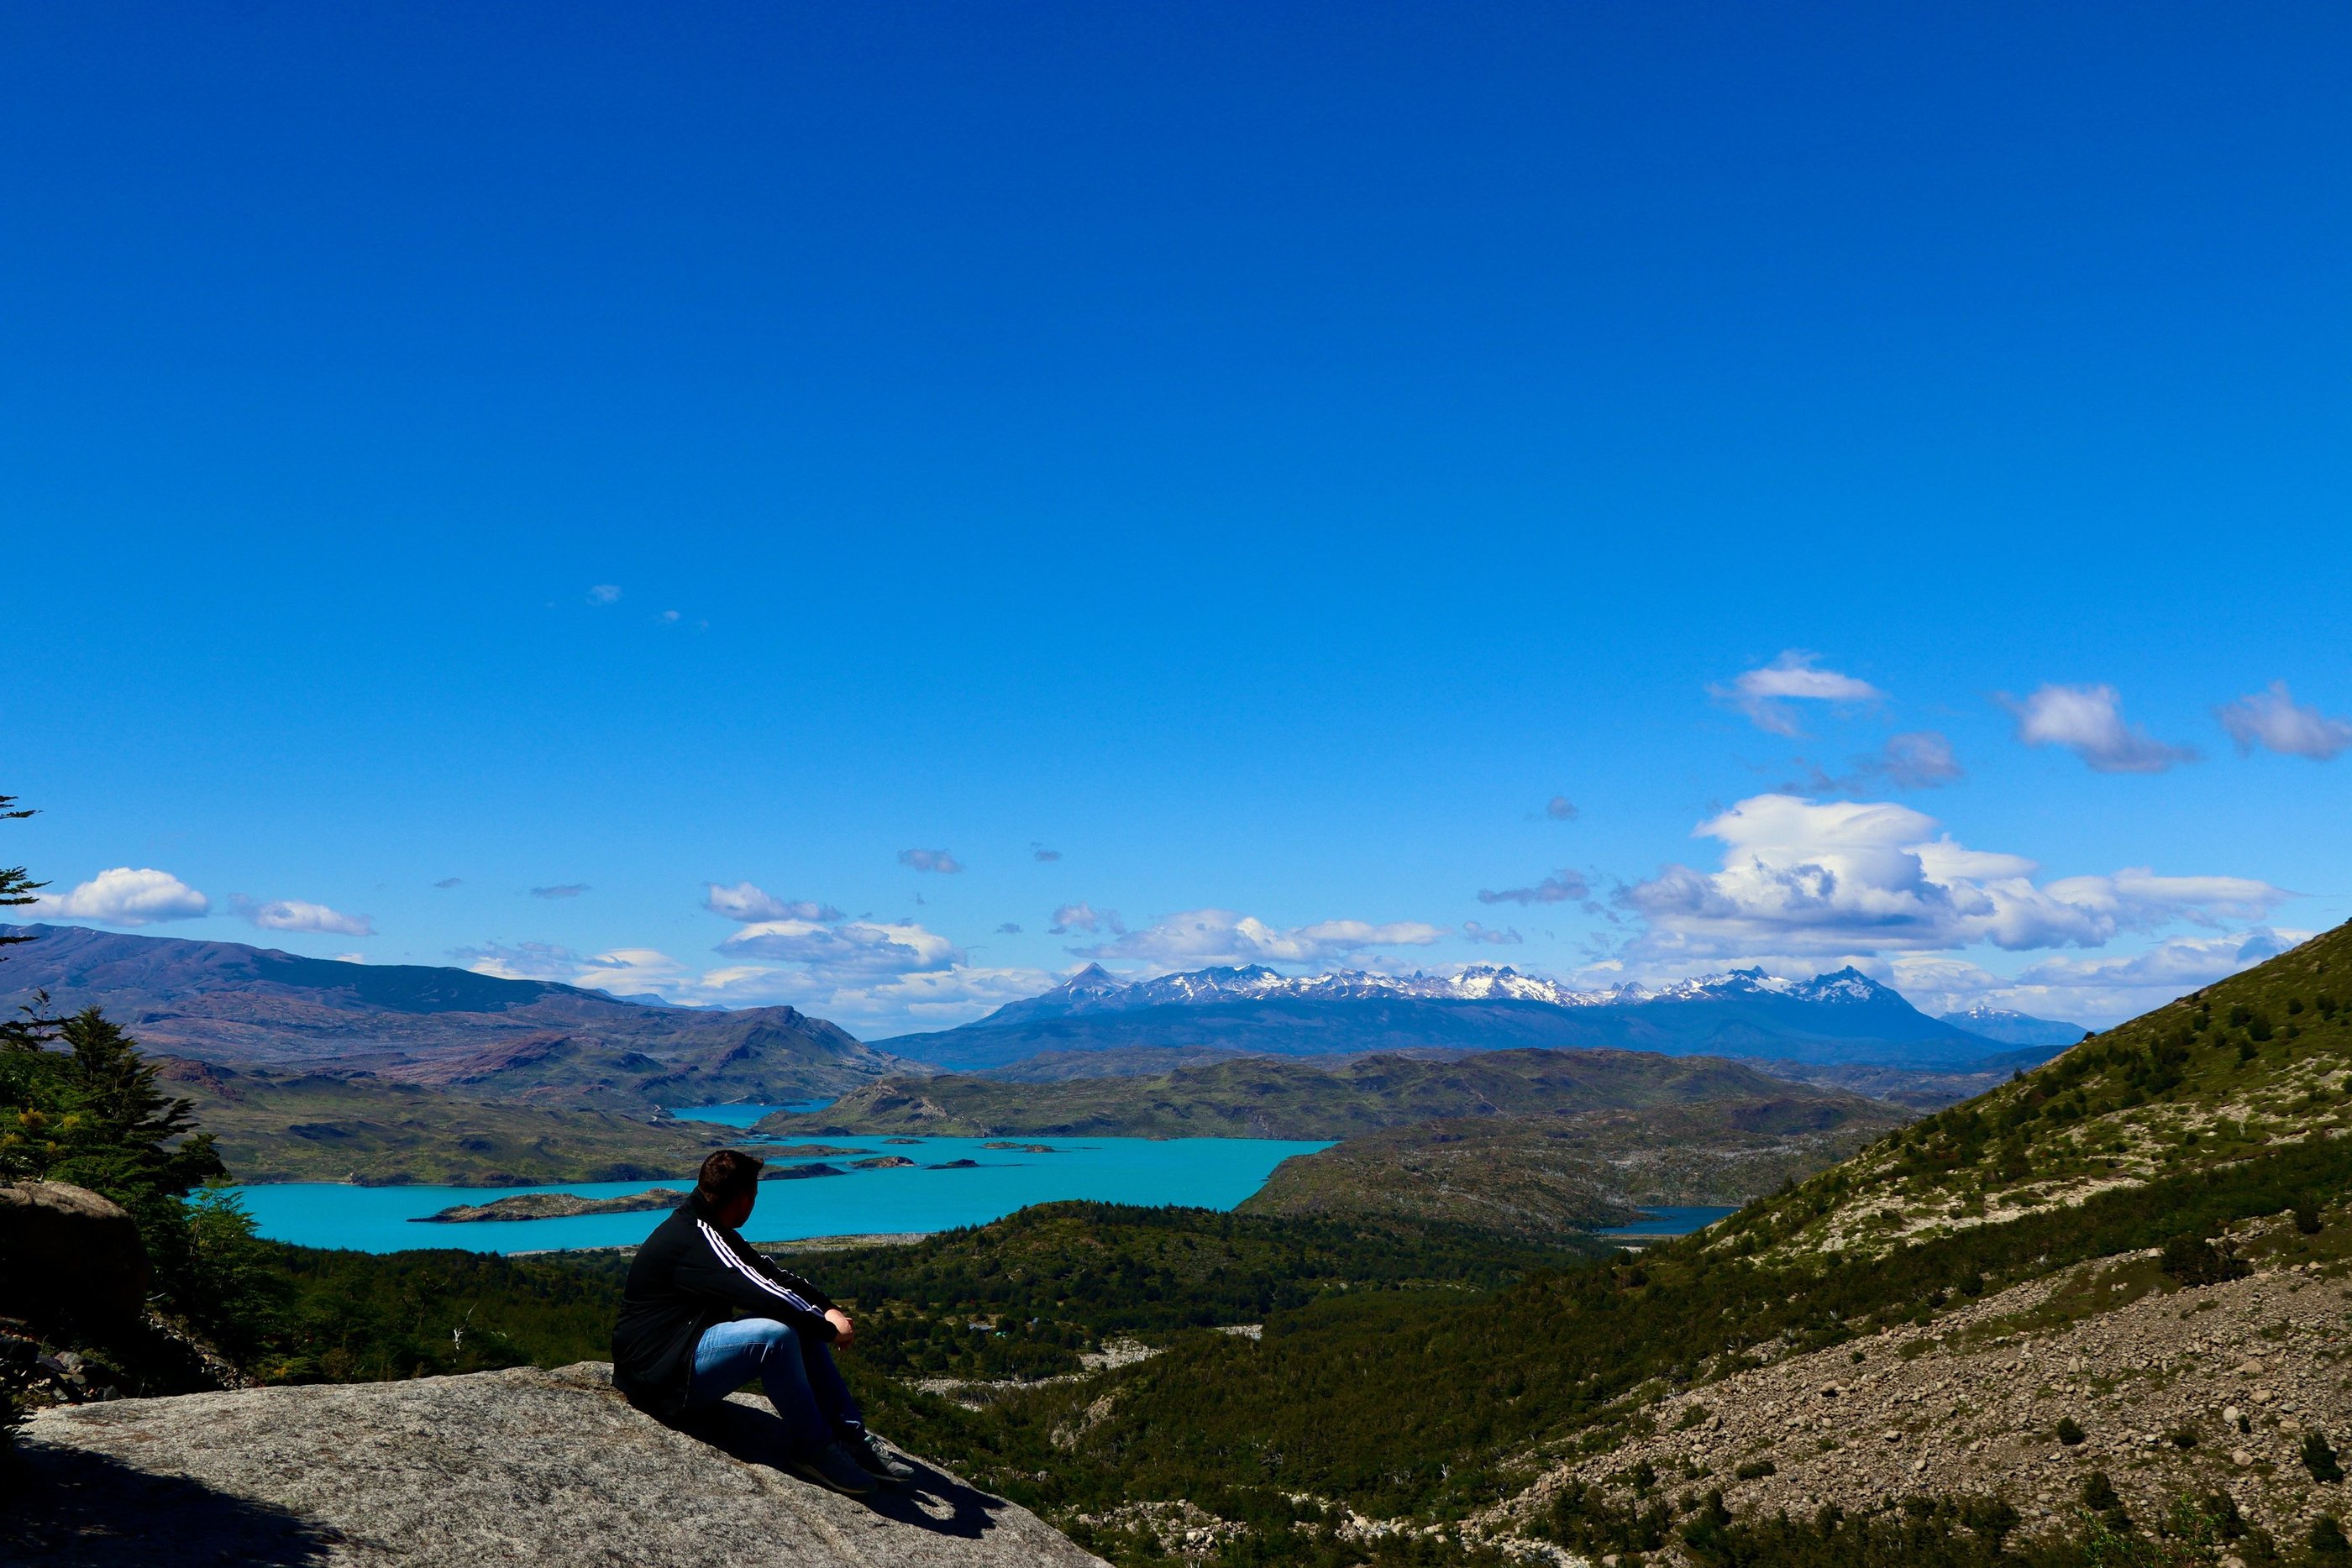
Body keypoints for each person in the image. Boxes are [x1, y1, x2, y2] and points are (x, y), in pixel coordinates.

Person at [612, 1147, 913, 1494]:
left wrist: (827, 1309)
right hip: (660, 1378)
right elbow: (766, 1294)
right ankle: (814, 1449)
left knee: (795, 1321)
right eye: (754, 1196)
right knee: (776, 1336)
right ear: (744, 1199)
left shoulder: (708, 1226)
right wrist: (829, 1331)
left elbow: (771, 1274)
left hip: (676, 1357)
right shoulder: (696, 1238)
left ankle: (849, 1436)